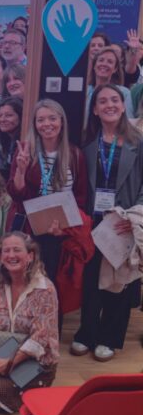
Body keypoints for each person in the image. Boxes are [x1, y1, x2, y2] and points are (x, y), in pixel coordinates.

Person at [71, 84, 143, 362]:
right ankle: (86, 333)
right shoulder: (88, 145)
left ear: (123, 106)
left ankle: (109, 338)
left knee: (119, 282)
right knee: (91, 280)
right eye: (103, 101)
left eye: (115, 100)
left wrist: (134, 216)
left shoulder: (138, 143)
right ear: (95, 109)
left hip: (123, 221)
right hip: (93, 222)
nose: (109, 105)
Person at [0, 232, 60, 414]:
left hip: (36, 360)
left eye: (17, 250)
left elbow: (42, 337)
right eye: (6, 251)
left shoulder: (45, 289)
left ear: (30, 256)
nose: (11, 255)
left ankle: (38, 388)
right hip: (4, 351)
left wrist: (12, 361)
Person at [8, 99, 88, 296]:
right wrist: (21, 170)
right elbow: (16, 194)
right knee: (25, 285)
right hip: (29, 231)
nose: (47, 124)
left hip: (60, 233)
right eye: (41, 120)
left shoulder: (75, 154)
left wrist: (64, 229)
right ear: (35, 124)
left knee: (51, 288)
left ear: (61, 121)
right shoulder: (25, 150)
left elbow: (80, 197)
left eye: (52, 118)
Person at [0, 96, 23, 178]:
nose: (2, 119)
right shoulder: (4, 141)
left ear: (21, 116)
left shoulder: (24, 142)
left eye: (9, 115)